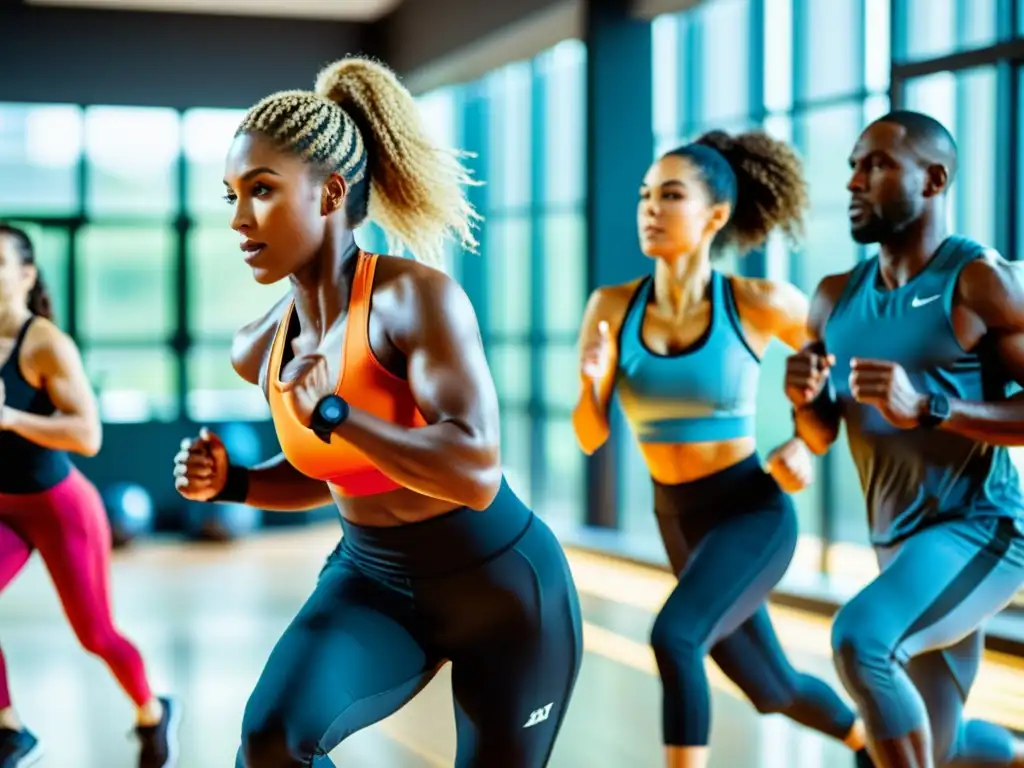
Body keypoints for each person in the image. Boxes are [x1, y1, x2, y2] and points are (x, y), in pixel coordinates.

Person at [172, 56, 583, 768]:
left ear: (331, 193)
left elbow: (475, 470)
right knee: (271, 744)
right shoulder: (261, 347)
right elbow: (337, 476)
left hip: (505, 594)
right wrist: (232, 484)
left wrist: (339, 412)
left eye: (261, 191)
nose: (239, 219)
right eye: (231, 195)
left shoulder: (415, 300)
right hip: (372, 582)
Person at [572, 131, 872, 768]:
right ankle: (870, 744)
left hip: (749, 512)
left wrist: (805, 444)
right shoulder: (611, 307)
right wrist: (592, 385)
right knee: (772, 688)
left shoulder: (759, 304)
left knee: (674, 638)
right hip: (676, 519)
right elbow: (591, 435)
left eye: (670, 195)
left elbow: (834, 379)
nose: (650, 208)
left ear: (714, 215)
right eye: (644, 195)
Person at [786, 109, 1024, 768]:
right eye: (854, 167)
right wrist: (801, 402)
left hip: (981, 530)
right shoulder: (834, 298)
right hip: (897, 544)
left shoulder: (979, 282)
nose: (855, 182)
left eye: (878, 164)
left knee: (862, 641)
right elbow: (822, 432)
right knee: (937, 749)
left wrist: (931, 405)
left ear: (935, 179)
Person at [0, 224, 178, 768]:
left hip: (58, 508)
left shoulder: (46, 344)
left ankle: (152, 711)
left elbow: (88, 435)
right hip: (3, 506)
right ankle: (10, 728)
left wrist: (9, 417)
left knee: (95, 634)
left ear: (25, 276)